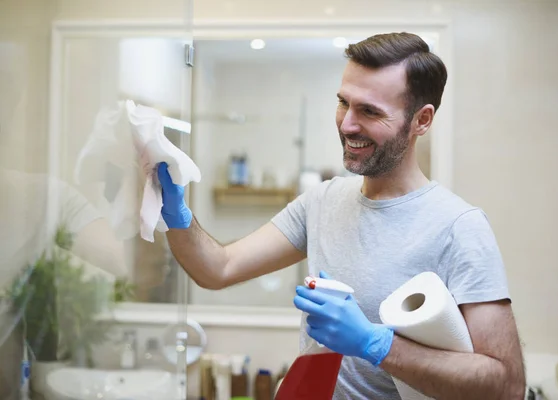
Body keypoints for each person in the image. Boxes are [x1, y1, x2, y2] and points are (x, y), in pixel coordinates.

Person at [157, 32, 526, 399]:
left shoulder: (459, 227)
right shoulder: (321, 201)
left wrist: (376, 344)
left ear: (422, 120)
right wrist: (176, 214)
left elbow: (506, 385)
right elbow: (218, 268)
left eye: (369, 111)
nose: (347, 124)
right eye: (343, 103)